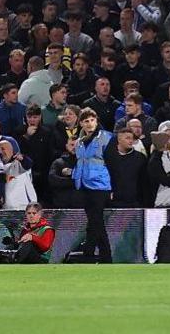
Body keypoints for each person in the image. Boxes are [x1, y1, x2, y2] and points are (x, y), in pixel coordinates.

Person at [68, 109, 114, 261]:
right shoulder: (80, 142)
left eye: (92, 120)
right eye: (86, 121)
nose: (89, 124)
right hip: (84, 185)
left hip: (100, 185)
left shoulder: (106, 137)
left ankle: (93, 254)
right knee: (95, 221)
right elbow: (81, 162)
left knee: (95, 221)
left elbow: (112, 164)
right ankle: (103, 255)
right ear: (81, 123)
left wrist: (113, 187)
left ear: (96, 120)